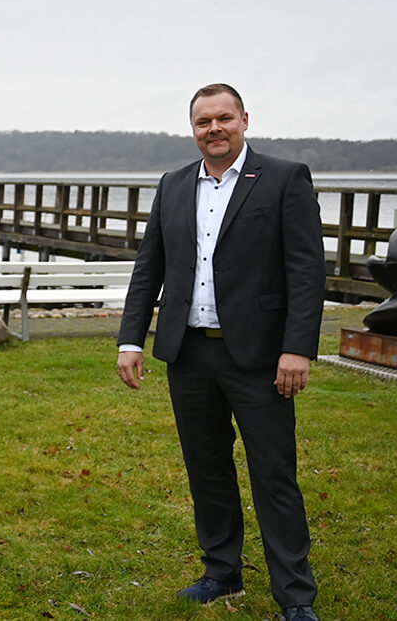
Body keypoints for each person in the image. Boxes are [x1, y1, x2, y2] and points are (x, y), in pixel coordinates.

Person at [117, 83, 324, 621]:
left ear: (244, 120)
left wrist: (297, 348)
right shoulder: (174, 184)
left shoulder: (283, 179)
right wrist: (130, 338)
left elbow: (306, 271)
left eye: (224, 118)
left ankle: (295, 597)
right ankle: (222, 573)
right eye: (203, 121)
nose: (214, 129)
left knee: (273, 475)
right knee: (206, 469)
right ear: (193, 128)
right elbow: (150, 268)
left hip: (258, 358)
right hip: (188, 354)